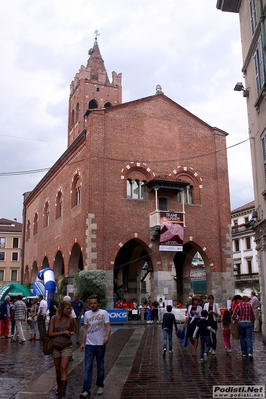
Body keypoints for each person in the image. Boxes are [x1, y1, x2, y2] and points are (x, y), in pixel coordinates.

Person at [79, 294, 111, 398]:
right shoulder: (87, 314)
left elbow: (108, 326)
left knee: (100, 366)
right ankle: (86, 390)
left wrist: (106, 337)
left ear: (98, 303)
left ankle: (100, 385)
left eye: (94, 303)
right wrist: (83, 342)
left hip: (100, 344)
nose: (92, 305)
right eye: (91, 303)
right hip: (89, 344)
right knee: (88, 367)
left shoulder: (104, 313)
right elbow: (85, 329)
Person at [48, 300, 75, 399]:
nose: (69, 310)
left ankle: (62, 393)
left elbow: (73, 331)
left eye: (70, 309)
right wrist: (62, 332)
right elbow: (50, 333)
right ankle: (59, 388)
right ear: (61, 309)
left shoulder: (71, 319)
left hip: (66, 346)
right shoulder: (53, 318)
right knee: (58, 369)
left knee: (64, 368)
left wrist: (70, 333)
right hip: (55, 346)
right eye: (67, 309)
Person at [232, 294, 255, 359]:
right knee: (249, 338)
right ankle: (250, 352)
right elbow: (253, 316)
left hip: (241, 323)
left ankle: (244, 352)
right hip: (248, 323)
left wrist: (236, 320)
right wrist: (252, 322)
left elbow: (233, 316)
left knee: (242, 338)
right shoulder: (249, 305)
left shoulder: (238, 305)